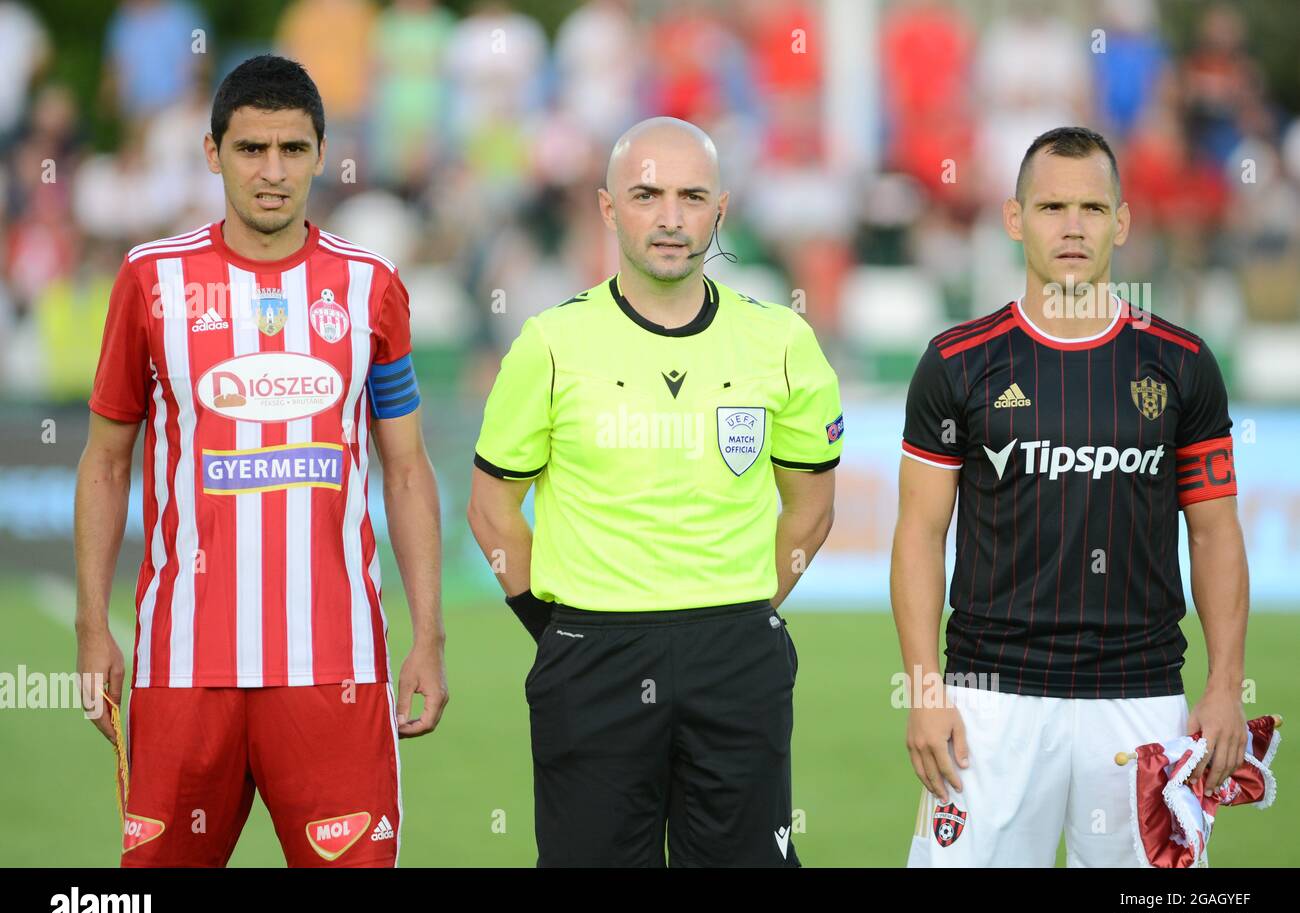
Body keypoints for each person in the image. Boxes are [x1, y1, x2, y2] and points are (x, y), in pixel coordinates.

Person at [74, 54, 448, 868]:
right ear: (213, 153)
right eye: (250, 149)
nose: (272, 172)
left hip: (335, 667)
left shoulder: (372, 285)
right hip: (180, 665)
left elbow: (409, 469)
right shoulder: (151, 280)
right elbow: (105, 463)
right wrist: (90, 623)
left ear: (322, 152)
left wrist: (429, 636)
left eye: (291, 149)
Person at [467, 117, 842, 867]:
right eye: (646, 195)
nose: (670, 217)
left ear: (720, 209)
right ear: (609, 209)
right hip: (591, 653)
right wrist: (556, 626)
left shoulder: (781, 340)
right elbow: (491, 508)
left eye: (691, 196)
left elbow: (811, 505)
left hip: (737, 653)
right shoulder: (549, 341)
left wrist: (747, 611)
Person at [893, 126, 1249, 867]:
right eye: (1052, 206)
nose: (1074, 226)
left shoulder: (1182, 364)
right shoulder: (957, 363)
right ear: (1015, 219)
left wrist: (1222, 686)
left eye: (1092, 207)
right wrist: (926, 689)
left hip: (1140, 699)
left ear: (1121, 221)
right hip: (990, 701)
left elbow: (1214, 532)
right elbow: (920, 535)